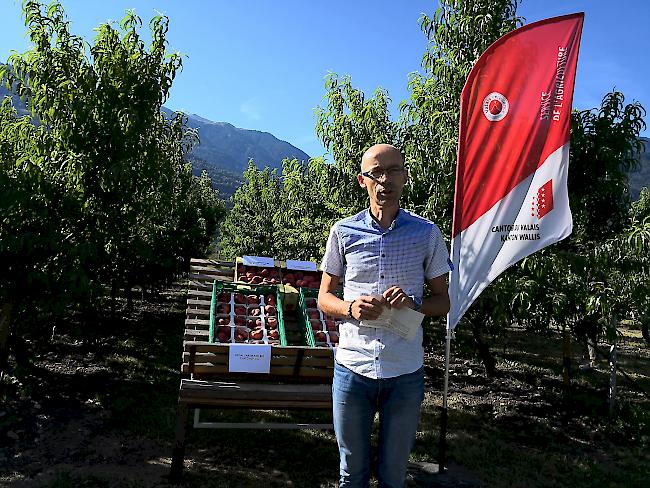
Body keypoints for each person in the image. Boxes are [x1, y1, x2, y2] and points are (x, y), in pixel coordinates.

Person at [318, 143, 451, 488]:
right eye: (376, 172)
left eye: (393, 170)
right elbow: (323, 298)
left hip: (404, 372)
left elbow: (443, 301)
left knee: (394, 476)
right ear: (363, 180)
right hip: (353, 369)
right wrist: (350, 308)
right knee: (352, 475)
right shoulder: (342, 232)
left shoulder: (426, 233)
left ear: (405, 176)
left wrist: (414, 304)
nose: (385, 180)